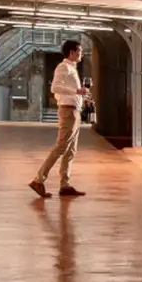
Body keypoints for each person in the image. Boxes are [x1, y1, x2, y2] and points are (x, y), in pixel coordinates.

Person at [30, 41, 89, 198]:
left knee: (71, 150)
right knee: (61, 147)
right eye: (80, 51)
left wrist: (82, 98)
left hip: (74, 111)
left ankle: (65, 184)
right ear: (72, 52)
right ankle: (38, 179)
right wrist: (77, 91)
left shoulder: (72, 68)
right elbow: (55, 87)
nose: (81, 54)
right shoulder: (64, 67)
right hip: (68, 113)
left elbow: (66, 92)